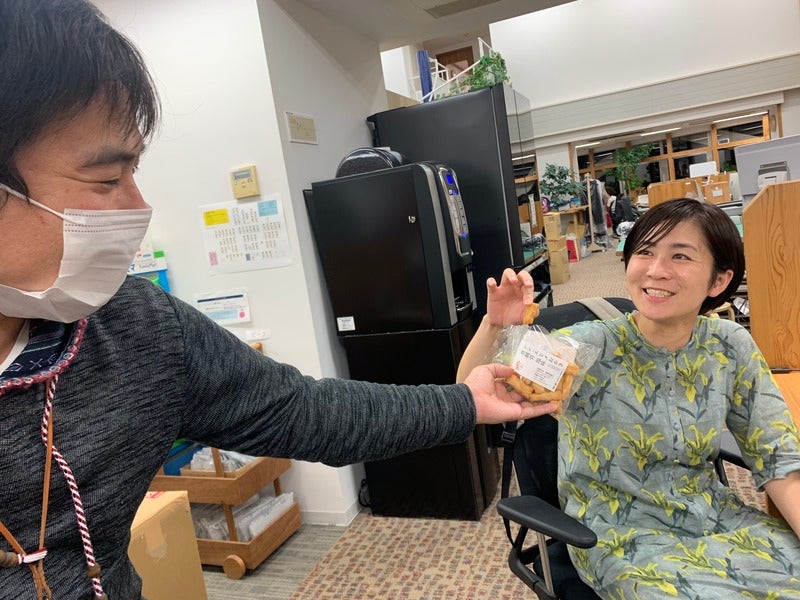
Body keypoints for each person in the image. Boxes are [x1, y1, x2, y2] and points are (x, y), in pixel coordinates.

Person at [0, 1, 559, 598]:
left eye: (133, 173)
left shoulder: (140, 331)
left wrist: (463, 403)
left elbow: (305, 412)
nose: (138, 208)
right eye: (107, 180)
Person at [458, 198, 800, 598]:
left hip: (713, 515)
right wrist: (494, 325)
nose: (656, 270)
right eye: (645, 252)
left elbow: (780, 458)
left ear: (718, 281)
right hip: (620, 535)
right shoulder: (589, 346)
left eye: (680, 256)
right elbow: (475, 393)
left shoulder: (729, 344)